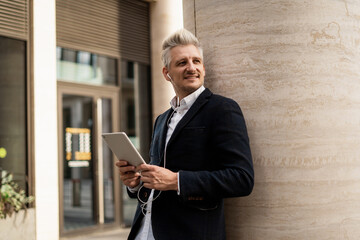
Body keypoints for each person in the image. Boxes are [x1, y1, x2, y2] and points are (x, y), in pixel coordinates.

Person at [115, 29, 254, 240]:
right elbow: (158, 180)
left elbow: (241, 178)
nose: (191, 68)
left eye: (196, 61)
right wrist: (136, 184)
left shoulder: (222, 109)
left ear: (204, 69)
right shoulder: (161, 119)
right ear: (166, 73)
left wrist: (176, 180)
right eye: (182, 63)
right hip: (143, 232)